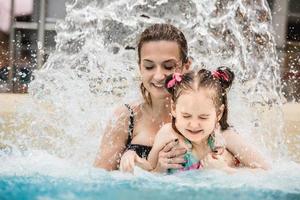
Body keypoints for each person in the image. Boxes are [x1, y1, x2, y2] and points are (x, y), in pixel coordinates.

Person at [94, 23, 191, 172]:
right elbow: (99, 180)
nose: (159, 76)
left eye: (169, 66)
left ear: (186, 67)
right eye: (149, 66)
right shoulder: (126, 118)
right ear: (140, 67)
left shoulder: (201, 116)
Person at [145, 68, 270, 174]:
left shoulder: (224, 138)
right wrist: (159, 168)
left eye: (203, 117)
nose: (193, 125)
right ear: (173, 108)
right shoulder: (167, 134)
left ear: (219, 113)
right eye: (186, 116)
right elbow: (148, 173)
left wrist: (225, 170)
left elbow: (265, 171)